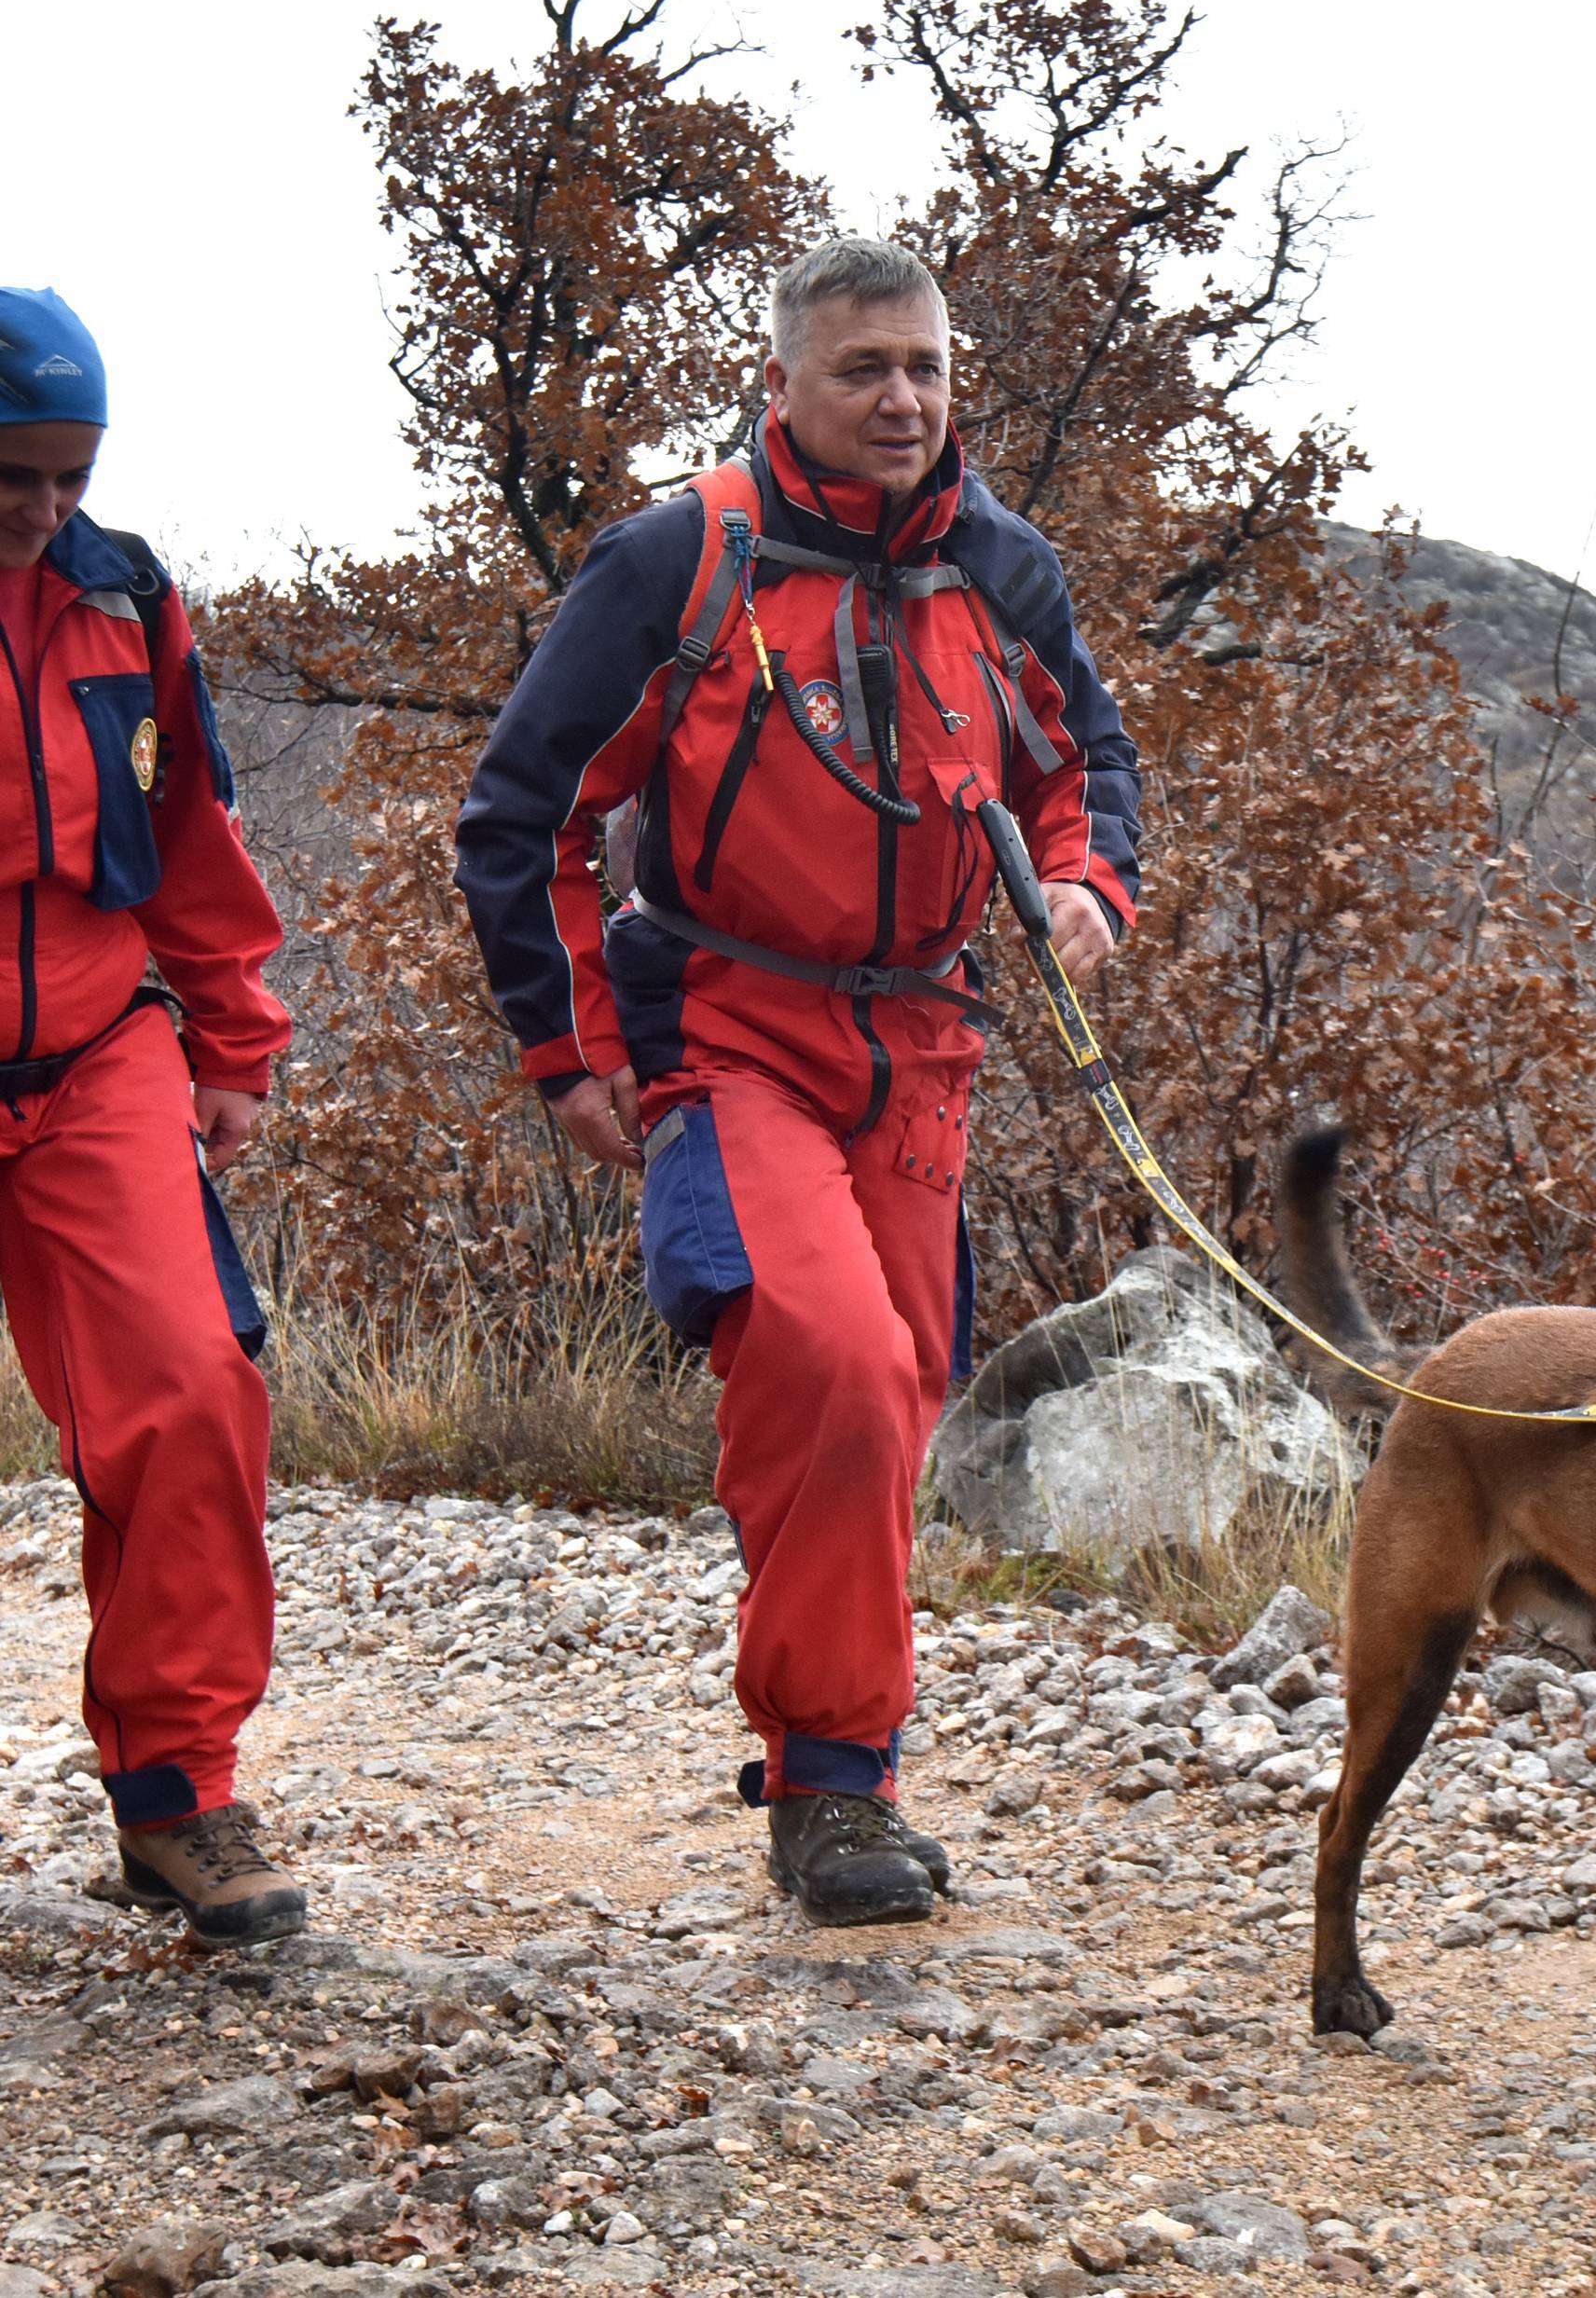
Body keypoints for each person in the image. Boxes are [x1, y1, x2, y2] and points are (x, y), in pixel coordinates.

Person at [457, 237, 1141, 1924]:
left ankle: (844, 1769)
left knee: (893, 1389)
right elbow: (521, 813)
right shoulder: (677, 560)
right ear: (786, 383)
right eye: (864, 370)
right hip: (724, 1024)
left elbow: (1089, 762)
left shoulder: (1004, 565)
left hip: (923, 1043)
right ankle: (828, 1784)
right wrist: (572, 1055)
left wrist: (1083, 886)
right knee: (826, 1356)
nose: (902, 399)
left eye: (924, 367)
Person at [0, 287, 302, 1946]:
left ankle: (179, 1792)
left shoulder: (125, 598)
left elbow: (194, 823)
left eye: (71, 471)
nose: (45, 508)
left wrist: (234, 1036)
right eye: (11, 477)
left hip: (98, 1046)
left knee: (192, 1391)